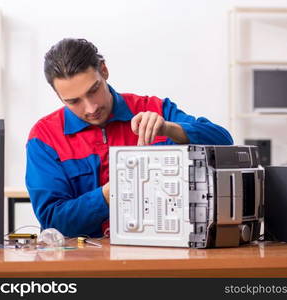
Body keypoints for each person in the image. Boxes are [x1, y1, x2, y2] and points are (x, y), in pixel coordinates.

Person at [26, 38, 233, 238]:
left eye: (94, 90)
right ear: (58, 96)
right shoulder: (44, 138)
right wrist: (110, 193)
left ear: (104, 71)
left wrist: (169, 128)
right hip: (86, 262)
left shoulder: (154, 109)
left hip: (163, 253)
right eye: (73, 101)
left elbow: (224, 142)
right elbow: (53, 222)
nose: (91, 108)